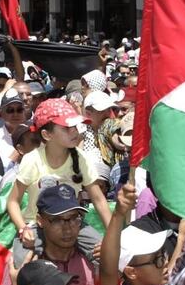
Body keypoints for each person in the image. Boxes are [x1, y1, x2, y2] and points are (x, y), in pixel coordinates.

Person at [7, 99, 110, 248]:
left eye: (75, 126)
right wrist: (23, 228)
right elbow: (12, 201)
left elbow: (99, 200)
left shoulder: (82, 158)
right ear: (47, 135)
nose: (74, 131)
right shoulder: (32, 160)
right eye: (67, 128)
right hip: (37, 225)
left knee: (106, 255)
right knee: (22, 263)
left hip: (73, 225)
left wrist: (111, 235)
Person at [0, 184, 98, 285]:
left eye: (73, 218)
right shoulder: (23, 264)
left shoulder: (92, 261)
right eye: (57, 220)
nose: (68, 228)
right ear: (40, 220)